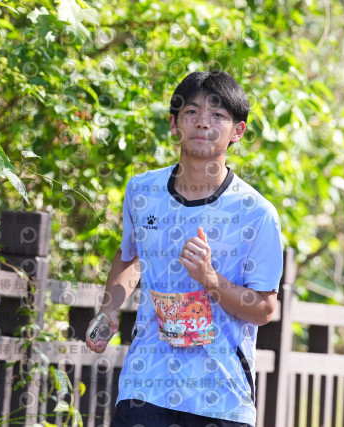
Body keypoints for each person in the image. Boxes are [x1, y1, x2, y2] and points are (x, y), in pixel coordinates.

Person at [85, 71, 284, 427]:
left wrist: (209, 279)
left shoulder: (256, 213)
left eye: (218, 115)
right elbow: (130, 257)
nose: (203, 123)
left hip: (219, 396)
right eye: (192, 112)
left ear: (237, 131)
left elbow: (264, 309)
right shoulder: (142, 191)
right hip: (145, 383)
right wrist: (109, 309)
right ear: (174, 123)